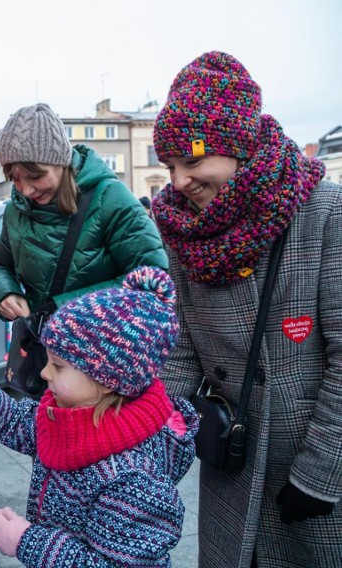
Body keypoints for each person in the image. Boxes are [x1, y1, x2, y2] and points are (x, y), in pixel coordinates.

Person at [152, 51, 342, 567]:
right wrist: (143, 438)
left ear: (241, 150)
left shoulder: (324, 213)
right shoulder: (182, 232)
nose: (178, 182)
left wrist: (321, 473)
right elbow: (183, 352)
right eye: (169, 165)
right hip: (230, 464)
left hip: (314, 470)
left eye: (191, 160)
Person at [0, 266, 198, 566]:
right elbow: (20, 423)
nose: (44, 372)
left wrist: (28, 541)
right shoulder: (73, 414)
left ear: (108, 380)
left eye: (59, 366)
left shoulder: (134, 481)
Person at [0, 102, 167, 353]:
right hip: (47, 357)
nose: (25, 190)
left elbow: (153, 278)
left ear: (61, 162)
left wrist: (62, 308)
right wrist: (6, 293)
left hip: (106, 360)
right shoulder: (16, 210)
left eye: (35, 176)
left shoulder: (110, 198)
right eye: (15, 178)